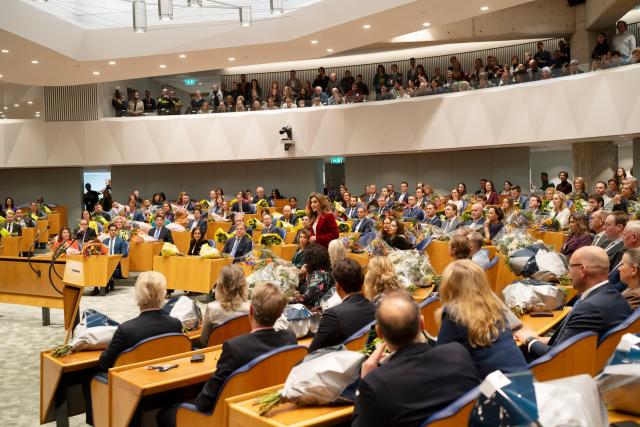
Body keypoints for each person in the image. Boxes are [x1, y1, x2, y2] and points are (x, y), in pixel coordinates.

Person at [158, 283, 296, 427]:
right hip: (269, 410)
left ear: (251, 310)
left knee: (165, 414)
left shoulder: (235, 347)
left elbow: (204, 402)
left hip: (227, 418)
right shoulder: (290, 339)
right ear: (279, 313)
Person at [352, 291, 481, 427]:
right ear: (422, 324)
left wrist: (363, 382)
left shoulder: (376, 384)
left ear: (379, 333)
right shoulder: (459, 353)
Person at [517, 246, 632, 360]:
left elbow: (558, 356)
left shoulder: (590, 308)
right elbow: (574, 341)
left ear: (583, 270)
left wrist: (529, 340)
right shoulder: (615, 297)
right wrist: (542, 340)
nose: (568, 272)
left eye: (570, 266)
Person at [438, 260, 528, 377]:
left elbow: (440, 359)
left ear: (448, 285)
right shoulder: (494, 306)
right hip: (524, 380)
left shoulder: (454, 313)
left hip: (496, 390)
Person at [309, 259, 376, 352]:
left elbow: (313, 351)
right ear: (362, 283)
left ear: (337, 286)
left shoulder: (333, 315)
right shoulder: (378, 310)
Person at [200, 265, 251, 347]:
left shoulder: (212, 308)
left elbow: (204, 341)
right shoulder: (251, 308)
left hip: (217, 355)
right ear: (243, 284)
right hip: (245, 353)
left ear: (220, 284)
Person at [291, 243, 334, 309]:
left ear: (312, 261)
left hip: (312, 310)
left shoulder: (318, 275)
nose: (305, 262)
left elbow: (305, 298)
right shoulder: (324, 270)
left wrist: (286, 300)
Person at [96, 224, 129, 295]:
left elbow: (125, 253)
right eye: (111, 230)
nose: (113, 232)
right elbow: (101, 252)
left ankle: (104, 287)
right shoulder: (105, 241)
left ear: (117, 231)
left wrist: (116, 256)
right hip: (105, 262)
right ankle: (96, 288)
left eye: (115, 230)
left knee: (106, 268)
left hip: (116, 264)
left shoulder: (121, 241)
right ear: (108, 231)